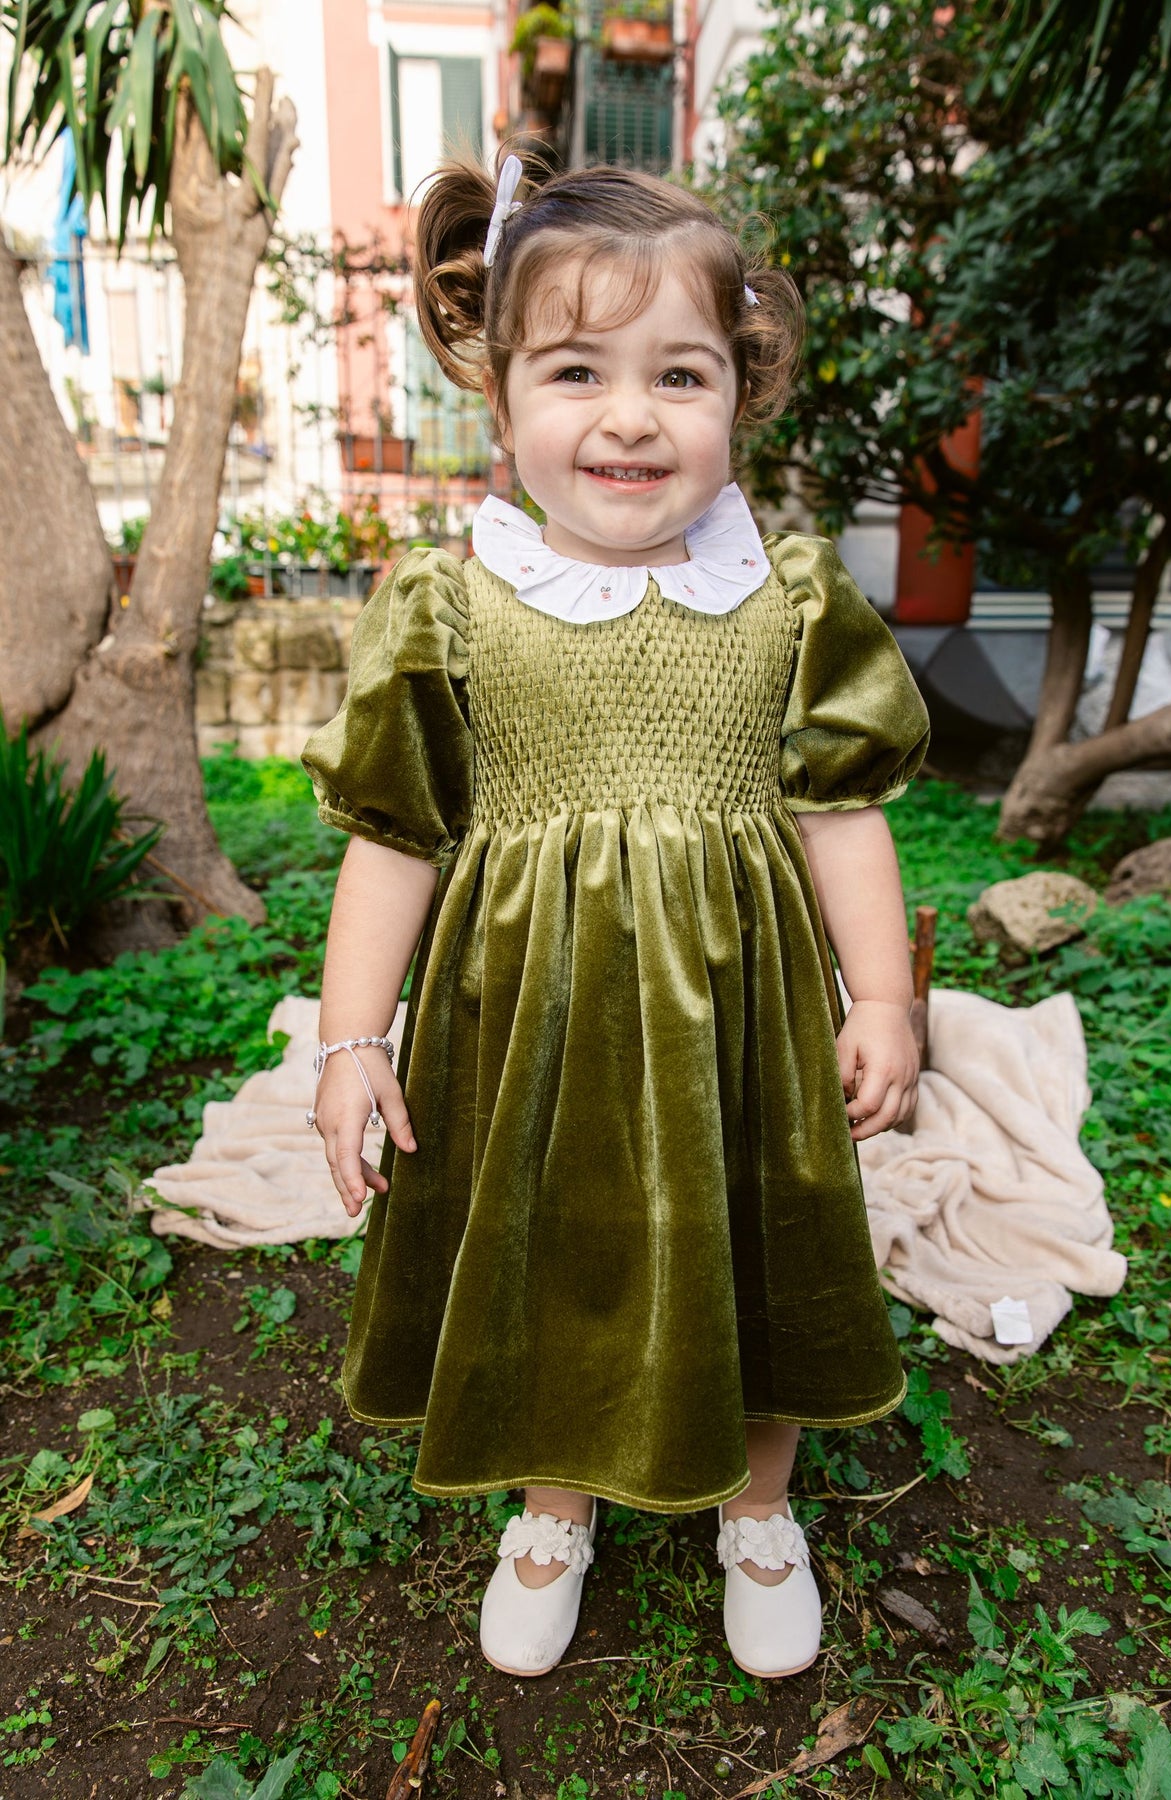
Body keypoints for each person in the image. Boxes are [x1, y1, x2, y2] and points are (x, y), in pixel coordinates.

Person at [301, 152, 930, 1684]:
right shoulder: (456, 606)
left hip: (741, 1024)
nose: (631, 416)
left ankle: (759, 1509)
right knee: (543, 1247)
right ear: (499, 391)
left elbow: (840, 815)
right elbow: (394, 842)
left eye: (681, 374)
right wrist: (349, 1039)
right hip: (530, 1022)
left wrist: (881, 997)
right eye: (579, 371)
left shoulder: (784, 598)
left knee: (757, 1234)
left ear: (743, 392)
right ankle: (552, 1505)